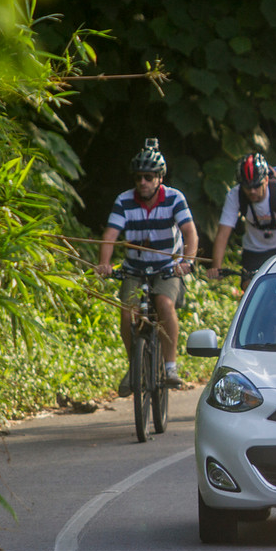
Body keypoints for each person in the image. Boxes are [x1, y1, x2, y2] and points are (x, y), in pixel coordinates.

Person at [94, 138, 198, 395]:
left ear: (159, 178)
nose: (142, 182)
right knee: (126, 311)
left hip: (167, 267)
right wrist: (105, 264)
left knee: (164, 303)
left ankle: (171, 367)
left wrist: (187, 262)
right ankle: (134, 366)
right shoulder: (124, 201)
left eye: (148, 177)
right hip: (134, 267)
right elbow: (110, 235)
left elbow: (190, 233)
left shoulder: (175, 199)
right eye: (139, 177)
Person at [210, 153, 276, 287]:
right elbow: (223, 234)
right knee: (250, 288)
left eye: (256, 186)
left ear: (265, 180)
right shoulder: (235, 195)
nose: (252, 191)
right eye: (247, 187)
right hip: (254, 252)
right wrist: (216, 267)